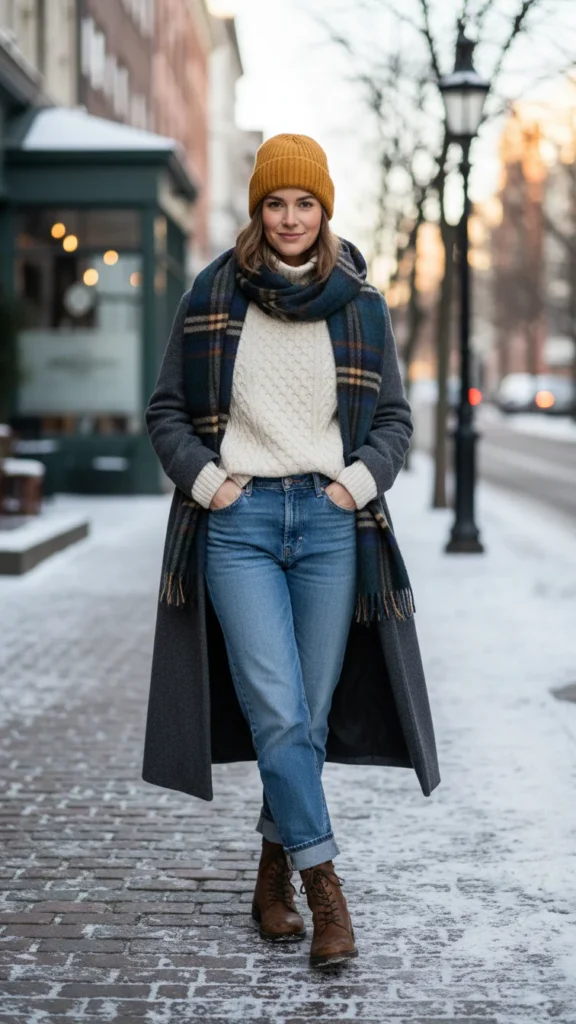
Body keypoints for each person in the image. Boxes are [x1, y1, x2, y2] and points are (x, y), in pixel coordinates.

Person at [142, 133, 441, 968]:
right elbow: (167, 412)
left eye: (304, 203)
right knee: (278, 708)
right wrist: (211, 485)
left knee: (304, 718)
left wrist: (354, 484)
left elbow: (393, 422)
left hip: (328, 525)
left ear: (324, 210)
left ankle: (272, 868)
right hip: (236, 527)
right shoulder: (212, 295)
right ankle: (326, 889)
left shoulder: (361, 304)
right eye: (275, 203)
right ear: (257, 210)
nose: (290, 218)